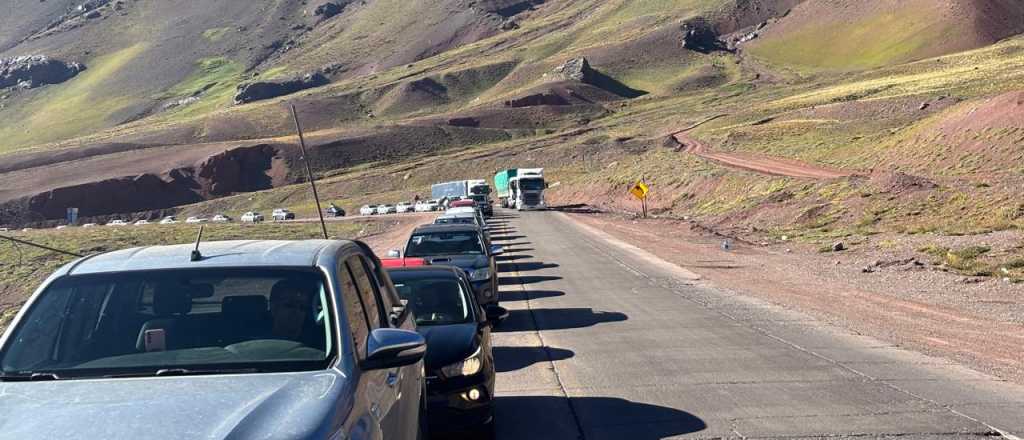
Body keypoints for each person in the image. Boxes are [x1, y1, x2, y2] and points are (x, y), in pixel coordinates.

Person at [268, 279, 319, 344]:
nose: (297, 313)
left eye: (302, 307)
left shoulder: (317, 346)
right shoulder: (257, 343)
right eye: (290, 305)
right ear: (274, 308)